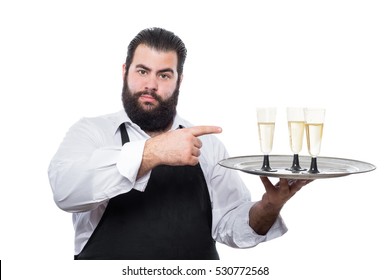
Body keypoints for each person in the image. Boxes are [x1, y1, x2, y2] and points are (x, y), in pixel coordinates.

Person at [48, 27, 312, 260]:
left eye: (164, 75)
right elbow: (66, 193)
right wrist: (153, 152)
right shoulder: (92, 132)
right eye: (142, 71)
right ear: (125, 71)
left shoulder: (207, 145)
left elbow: (231, 227)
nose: (150, 85)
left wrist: (269, 206)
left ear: (179, 81)